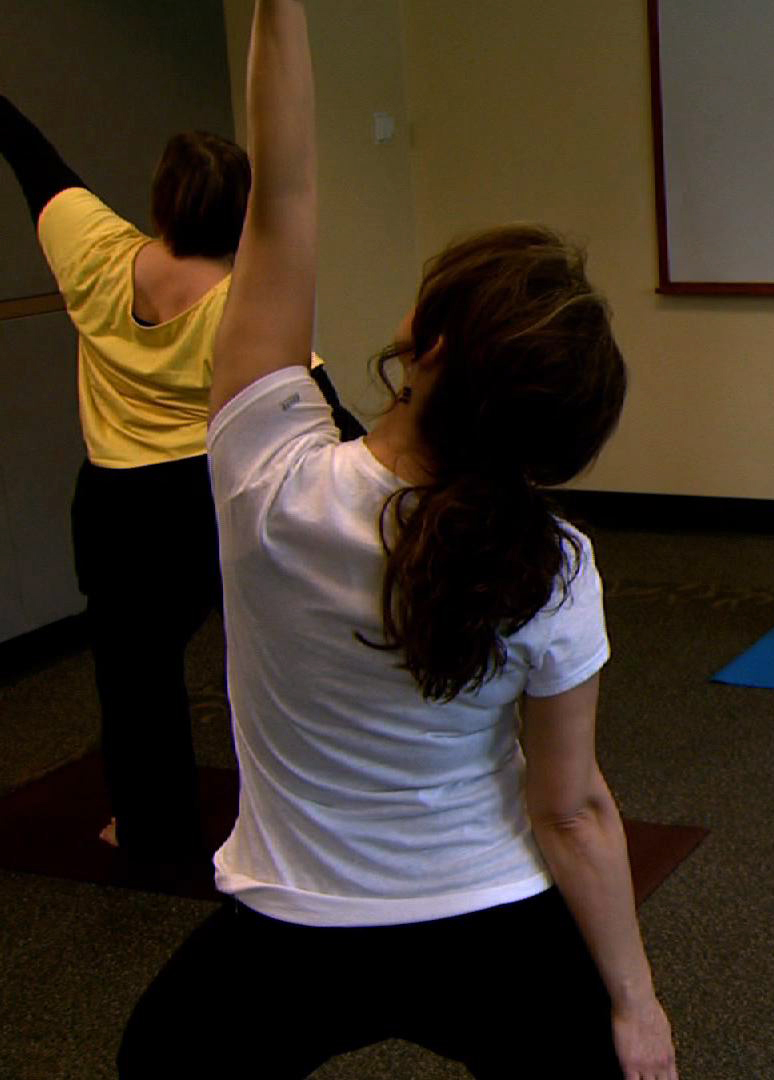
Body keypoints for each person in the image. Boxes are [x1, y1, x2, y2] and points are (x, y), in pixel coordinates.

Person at [116, 3, 676, 1077]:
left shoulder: (267, 479)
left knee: (158, 1061)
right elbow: (573, 809)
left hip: (289, 929)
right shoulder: (554, 567)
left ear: (424, 345)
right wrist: (635, 1005)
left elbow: (280, 205)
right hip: (487, 920)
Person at [1, 80, 361, 876]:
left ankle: (146, 825)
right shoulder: (243, 305)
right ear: (243, 216)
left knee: (133, 673)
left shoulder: (96, 255)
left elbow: (37, 162)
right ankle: (305, 816)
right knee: (273, 647)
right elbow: (331, 411)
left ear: (161, 205)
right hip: (207, 502)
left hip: (113, 506)